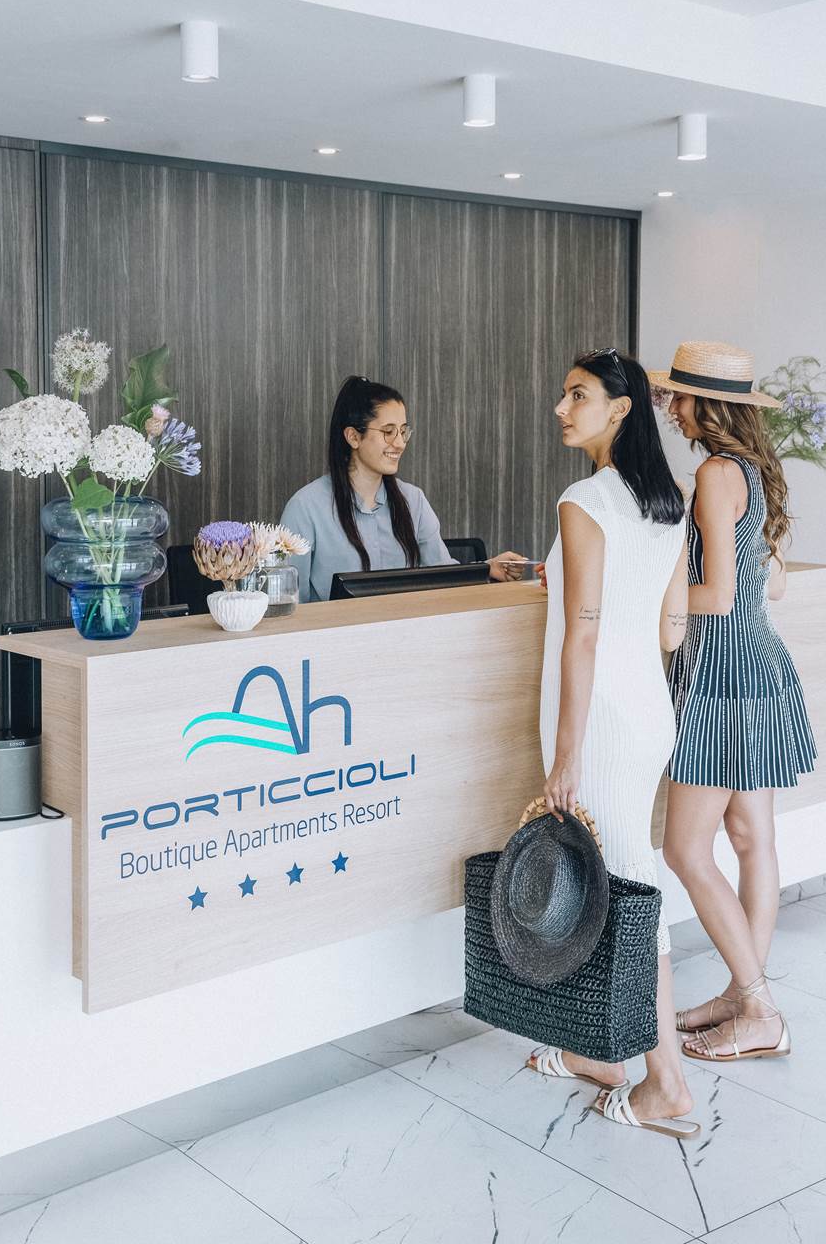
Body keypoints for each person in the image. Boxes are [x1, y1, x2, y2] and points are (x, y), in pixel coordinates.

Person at [522, 347, 698, 1139]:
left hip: (599, 723)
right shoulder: (666, 504)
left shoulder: (583, 499)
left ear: (619, 409)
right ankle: (596, 1051)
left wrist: (566, 756)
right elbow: (669, 629)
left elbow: (583, 637)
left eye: (577, 395)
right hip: (646, 710)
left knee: (625, 888)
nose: (562, 408)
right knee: (613, 881)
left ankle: (667, 1084)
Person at [655, 341, 816, 1064]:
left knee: (686, 850)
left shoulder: (716, 474)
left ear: (708, 405)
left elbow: (716, 597)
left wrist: (638, 592)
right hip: (759, 667)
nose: (671, 408)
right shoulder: (754, 469)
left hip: (724, 675)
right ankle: (739, 994)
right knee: (752, 839)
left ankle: (757, 1007)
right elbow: (767, 584)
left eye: (679, 396)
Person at [280, 375, 523, 602]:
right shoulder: (305, 508)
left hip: (407, 631)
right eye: (388, 432)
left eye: (403, 431)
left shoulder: (413, 500)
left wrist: (486, 568)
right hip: (336, 634)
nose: (399, 443)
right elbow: (287, 603)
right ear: (353, 437)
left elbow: (443, 575)